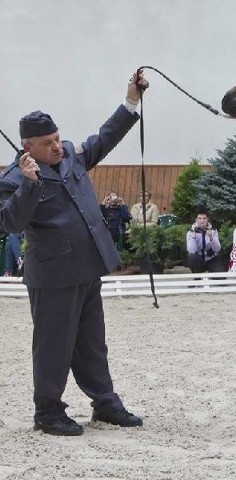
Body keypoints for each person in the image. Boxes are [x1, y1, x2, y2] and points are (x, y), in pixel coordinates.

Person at [0, 71, 149, 436]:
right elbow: (10, 223)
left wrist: (131, 100)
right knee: (53, 346)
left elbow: (105, 138)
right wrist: (31, 184)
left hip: (87, 267)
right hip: (53, 276)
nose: (56, 146)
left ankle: (105, 403)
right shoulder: (14, 179)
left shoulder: (71, 156)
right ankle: (48, 412)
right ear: (27, 148)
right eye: (47, 143)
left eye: (56, 138)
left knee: (92, 343)